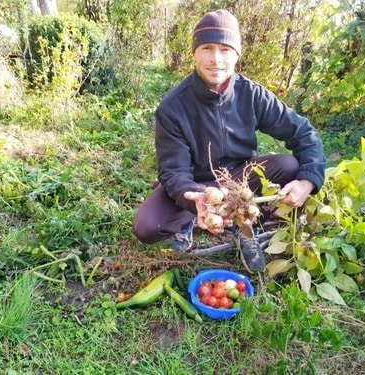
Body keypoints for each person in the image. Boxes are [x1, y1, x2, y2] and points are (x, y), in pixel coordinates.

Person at [132, 9, 326, 273]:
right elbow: (174, 170)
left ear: (236, 54)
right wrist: (194, 198)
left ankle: (243, 221)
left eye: (225, 49)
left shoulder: (252, 94)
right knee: (147, 226)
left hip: (240, 179)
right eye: (207, 48)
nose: (215, 59)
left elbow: (304, 133)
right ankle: (190, 216)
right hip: (196, 183)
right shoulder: (173, 107)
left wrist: (308, 181)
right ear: (194, 53)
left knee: (291, 166)